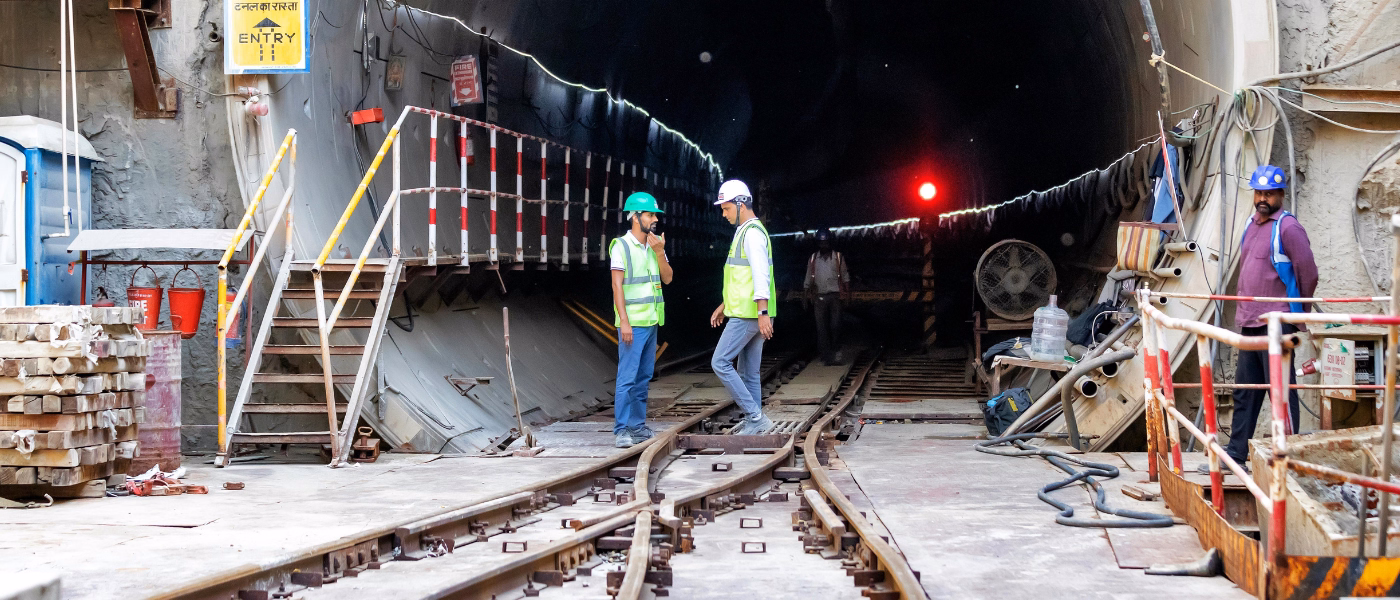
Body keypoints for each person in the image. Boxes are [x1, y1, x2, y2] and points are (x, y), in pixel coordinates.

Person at [1206, 164, 1318, 474]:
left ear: (1280, 195)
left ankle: (1289, 459)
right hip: (1250, 322)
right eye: (1258, 193)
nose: (1262, 199)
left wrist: (1296, 315)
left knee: (1280, 392)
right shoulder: (1251, 224)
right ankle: (1235, 455)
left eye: (1268, 194)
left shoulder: (1288, 228)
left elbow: (1308, 273)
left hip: (1275, 324)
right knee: (1245, 392)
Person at [710, 179, 776, 435]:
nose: (724, 214)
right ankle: (755, 423)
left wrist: (762, 313)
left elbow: (760, 275)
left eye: (726, 208)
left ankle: (755, 417)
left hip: (749, 315)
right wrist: (725, 304)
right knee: (749, 372)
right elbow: (741, 277)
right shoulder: (745, 231)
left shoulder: (752, 234)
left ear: (741, 204)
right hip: (748, 312)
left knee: (720, 362)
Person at [610, 192, 673, 448]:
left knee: (643, 377)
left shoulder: (654, 246)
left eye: (655, 215)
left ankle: (637, 426)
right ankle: (621, 430)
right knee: (627, 377)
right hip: (633, 324)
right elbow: (617, 286)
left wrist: (660, 252)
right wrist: (624, 322)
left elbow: (668, 278)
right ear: (635, 217)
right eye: (650, 215)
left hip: (651, 321)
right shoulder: (621, 246)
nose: (655, 219)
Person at [805, 228, 849, 365]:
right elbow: (808, 277)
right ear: (818, 243)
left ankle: (836, 351)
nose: (823, 245)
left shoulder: (838, 257)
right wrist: (805, 295)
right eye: (821, 242)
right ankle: (825, 356)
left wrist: (847, 295)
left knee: (835, 325)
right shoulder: (813, 258)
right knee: (821, 328)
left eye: (826, 242)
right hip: (819, 297)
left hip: (835, 296)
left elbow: (845, 277)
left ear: (830, 242)